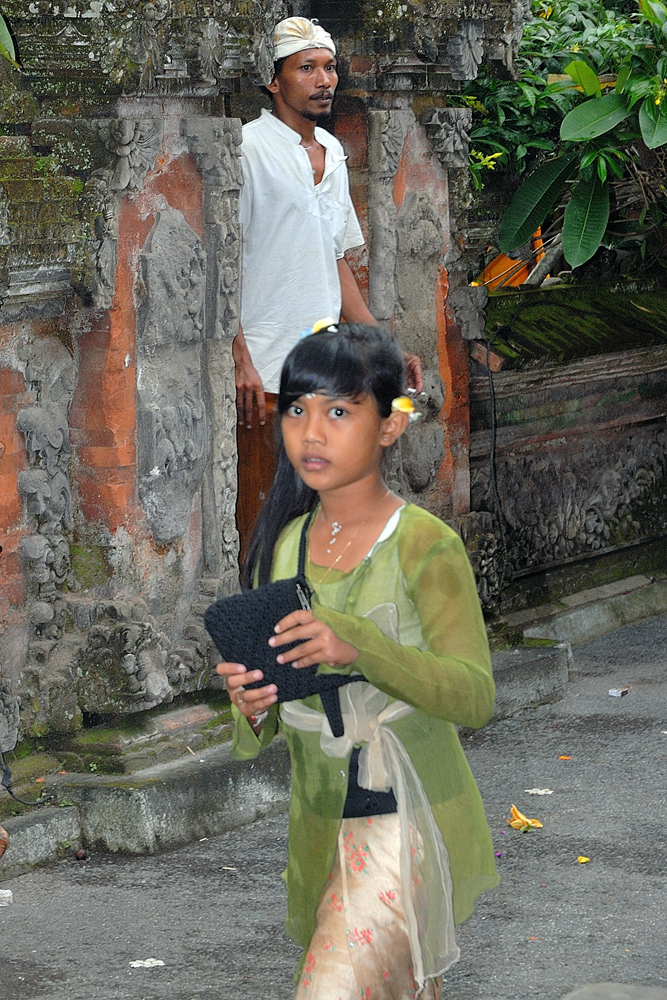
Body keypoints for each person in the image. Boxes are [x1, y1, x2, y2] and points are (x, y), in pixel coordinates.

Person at [216, 323, 498, 999]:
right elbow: (281, 707)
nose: (311, 433)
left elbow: (473, 695)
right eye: (297, 409)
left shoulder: (423, 546)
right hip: (320, 828)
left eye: (339, 412)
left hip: (407, 820)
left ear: (389, 427)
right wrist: (251, 705)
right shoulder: (285, 545)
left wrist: (359, 647)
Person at [234, 16, 423, 553]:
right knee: (262, 517)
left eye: (330, 67)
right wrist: (238, 357)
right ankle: (263, 631)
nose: (324, 80)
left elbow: (334, 263)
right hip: (265, 375)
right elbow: (223, 267)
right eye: (307, 68)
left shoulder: (334, 154)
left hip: (322, 368)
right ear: (275, 81)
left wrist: (385, 346)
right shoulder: (248, 150)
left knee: (317, 518)